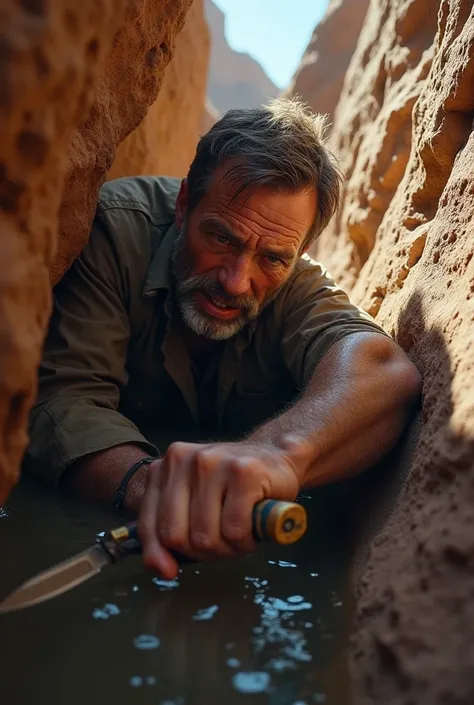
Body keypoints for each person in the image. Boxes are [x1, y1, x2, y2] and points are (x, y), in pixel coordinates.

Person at [25, 99, 421, 579]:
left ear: (300, 251)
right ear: (185, 203)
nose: (236, 281)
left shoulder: (298, 283)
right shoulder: (115, 232)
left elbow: (379, 369)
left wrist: (276, 455)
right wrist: (147, 488)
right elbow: (64, 398)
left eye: (273, 257)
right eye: (221, 239)